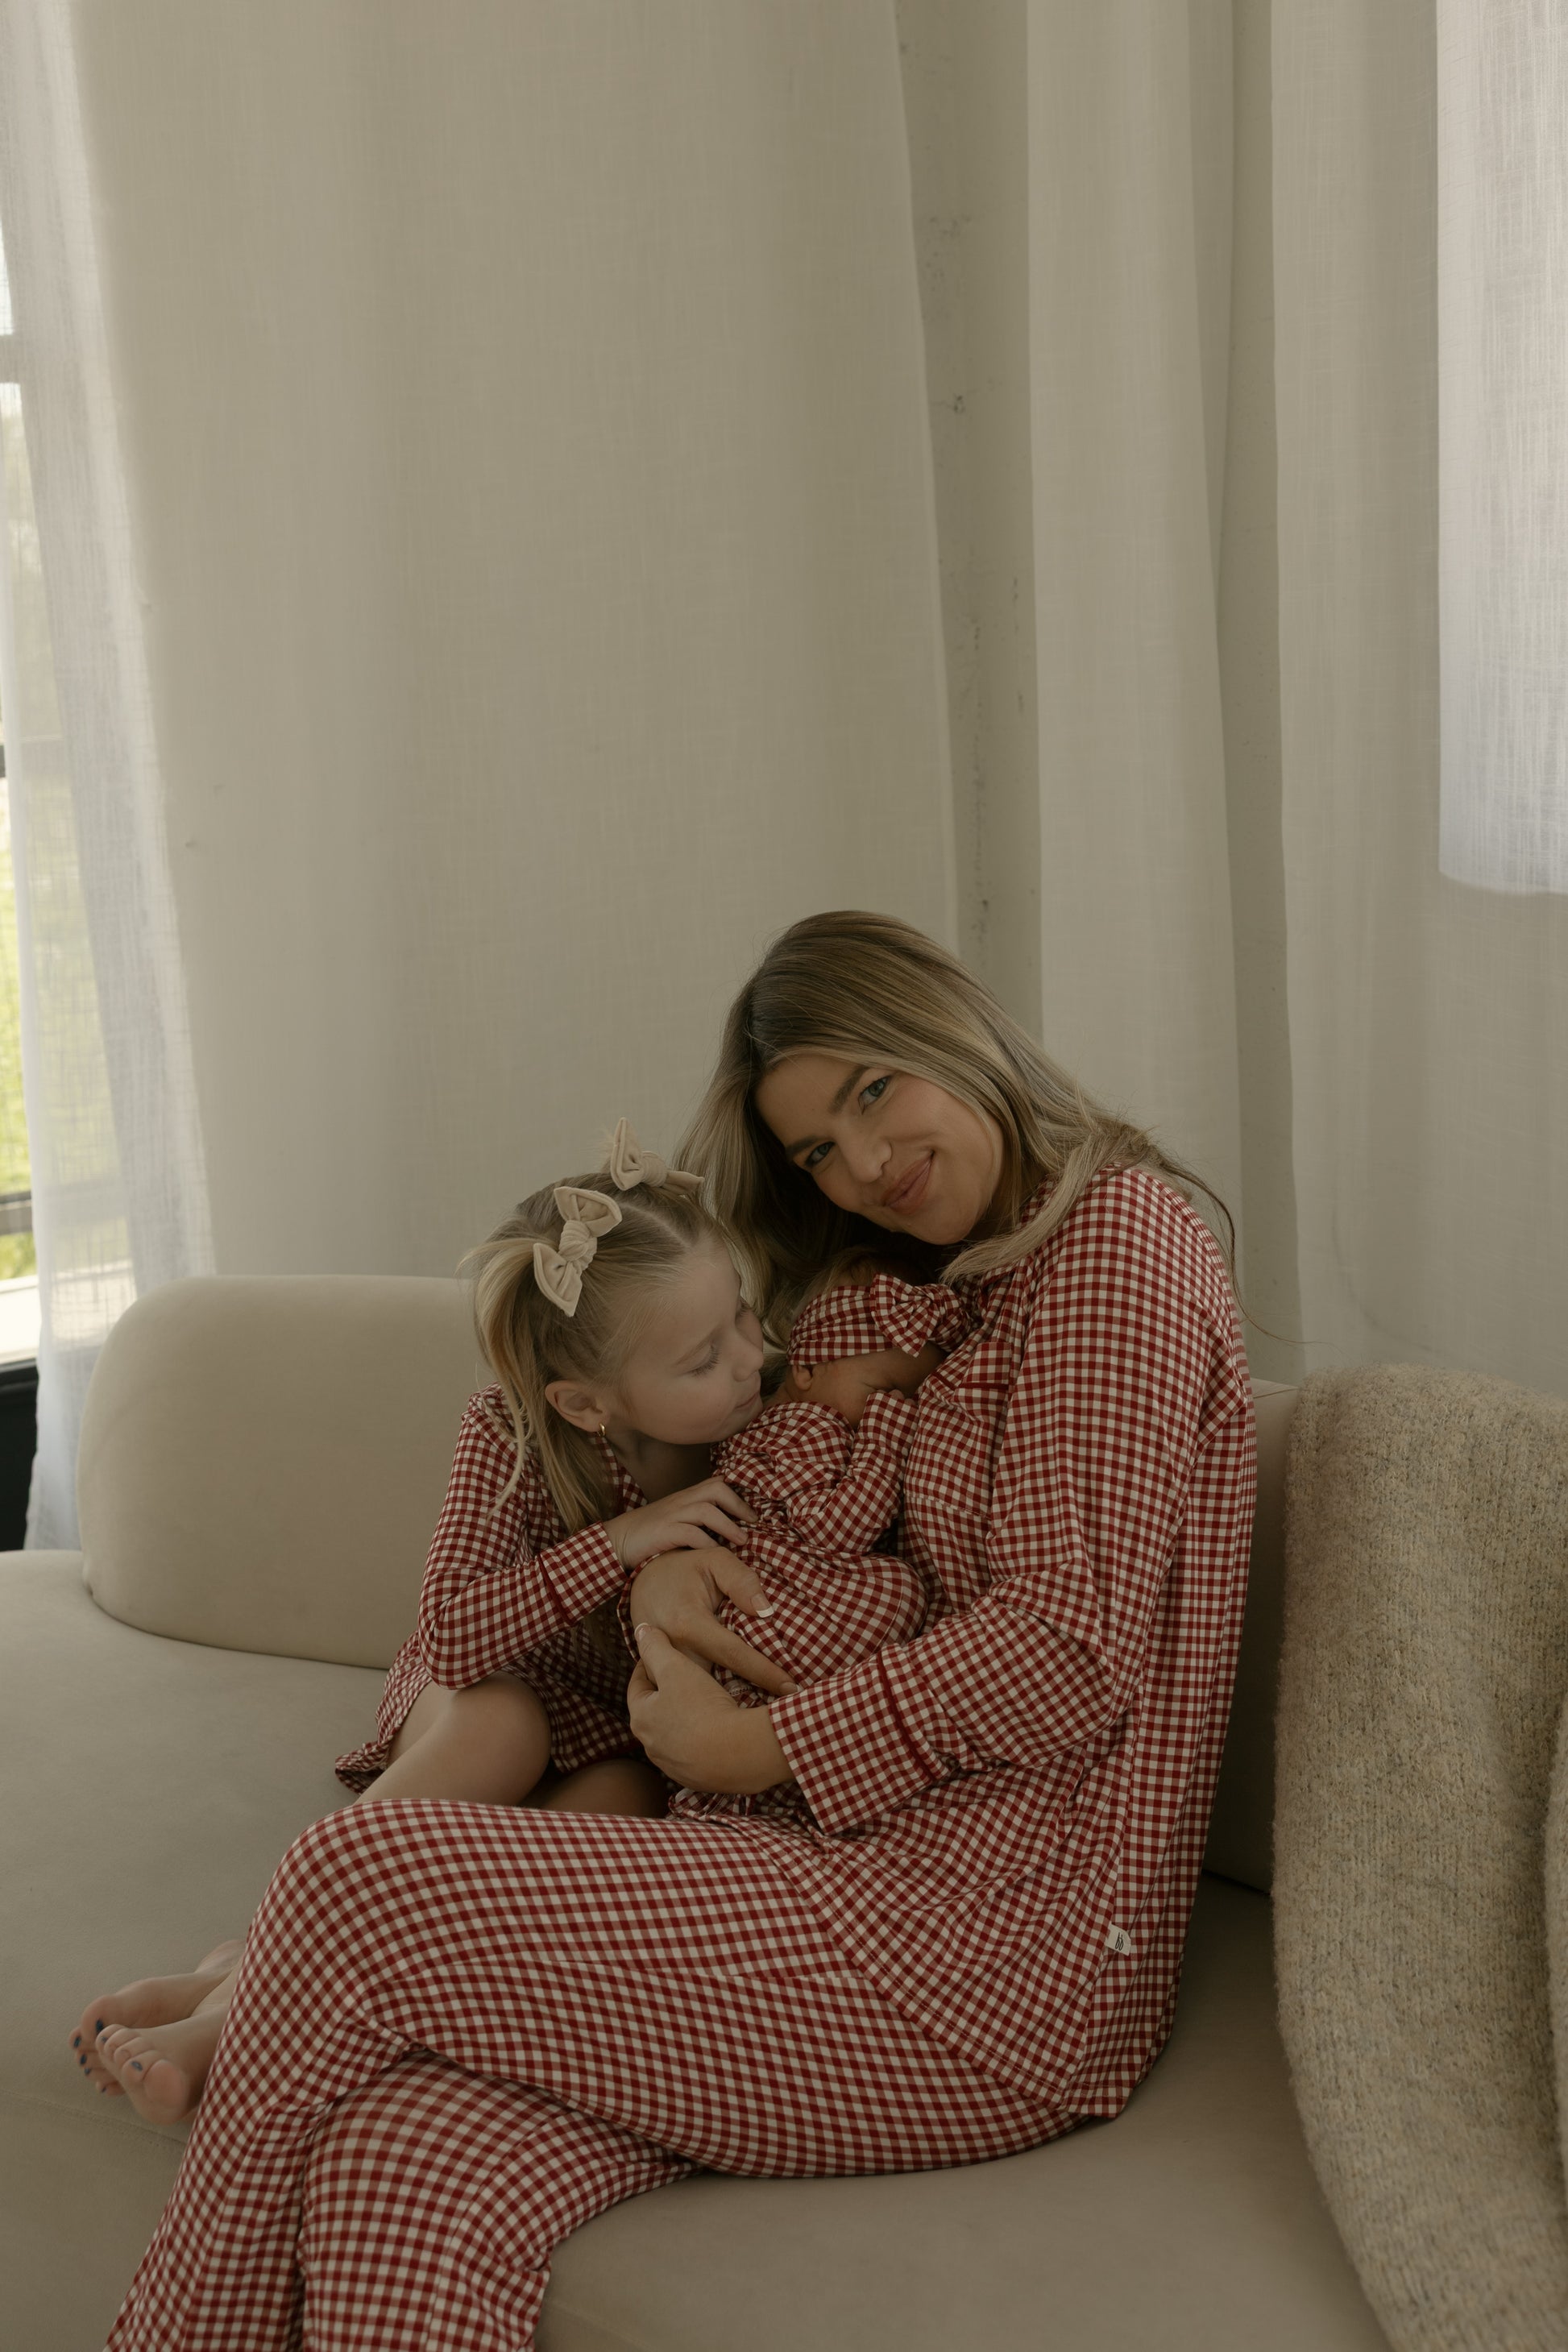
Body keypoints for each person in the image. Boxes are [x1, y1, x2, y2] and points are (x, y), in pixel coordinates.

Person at [99, 911, 1255, 2352]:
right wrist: (659, 1572)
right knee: (396, 2166)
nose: (863, 1159)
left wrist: (750, 1737)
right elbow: (814, 1514)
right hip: (796, 1881)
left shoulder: (1118, 1242)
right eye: (820, 1147)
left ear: (952, 1028)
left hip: (991, 1959)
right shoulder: (926, 1293)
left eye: (873, 1090)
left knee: (361, 1875)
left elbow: (1066, 1648)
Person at [78, 1118, 956, 2122]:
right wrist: (622, 1541)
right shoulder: (507, 1436)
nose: (751, 1361)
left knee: (630, 1798)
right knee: (507, 1726)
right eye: (704, 1356)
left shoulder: (755, 1427)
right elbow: (449, 1635)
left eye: (747, 1320)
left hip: (620, 1737)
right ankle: (241, 2008)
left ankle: (250, 1973)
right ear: (587, 1405)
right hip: (487, 1698)